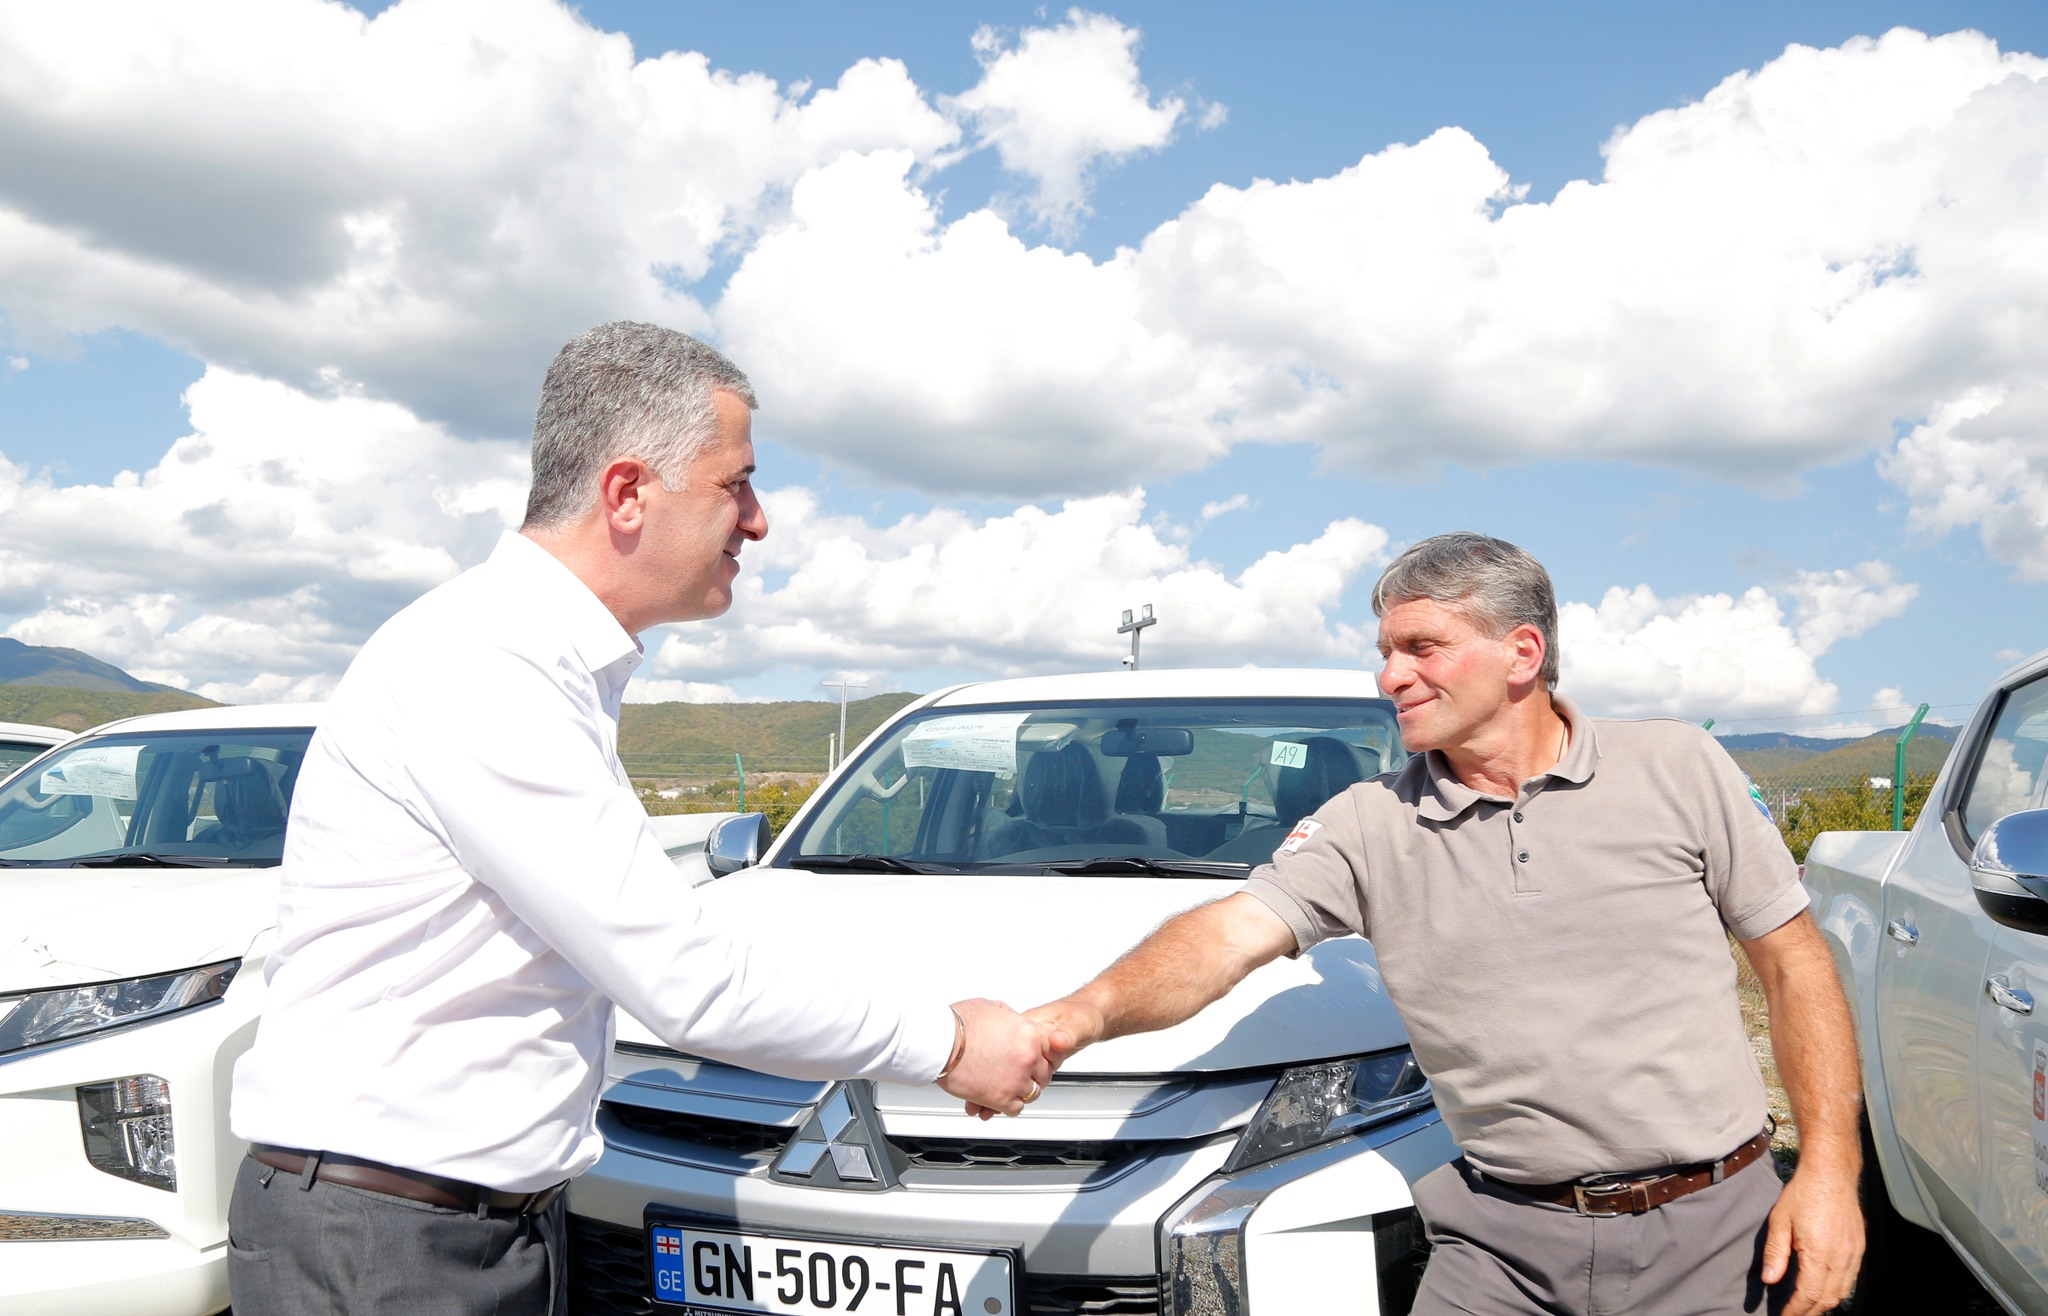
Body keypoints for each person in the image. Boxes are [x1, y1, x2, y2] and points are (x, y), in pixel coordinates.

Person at [226, 322, 1052, 1315]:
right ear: (626, 493)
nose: (757, 522)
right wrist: (949, 1043)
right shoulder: (488, 665)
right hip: (389, 1245)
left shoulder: (528, 660)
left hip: (452, 1227)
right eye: (735, 484)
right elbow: (683, 979)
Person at [1025, 533, 1864, 1316]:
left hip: (1716, 1230)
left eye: (1421, 648)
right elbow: (1227, 935)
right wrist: (1071, 1020)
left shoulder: (1677, 767)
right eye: (1385, 652)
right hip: (1500, 1245)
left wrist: (1829, 1173)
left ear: (1522, 654)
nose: (1390, 676)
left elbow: (1795, 967)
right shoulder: (1368, 823)